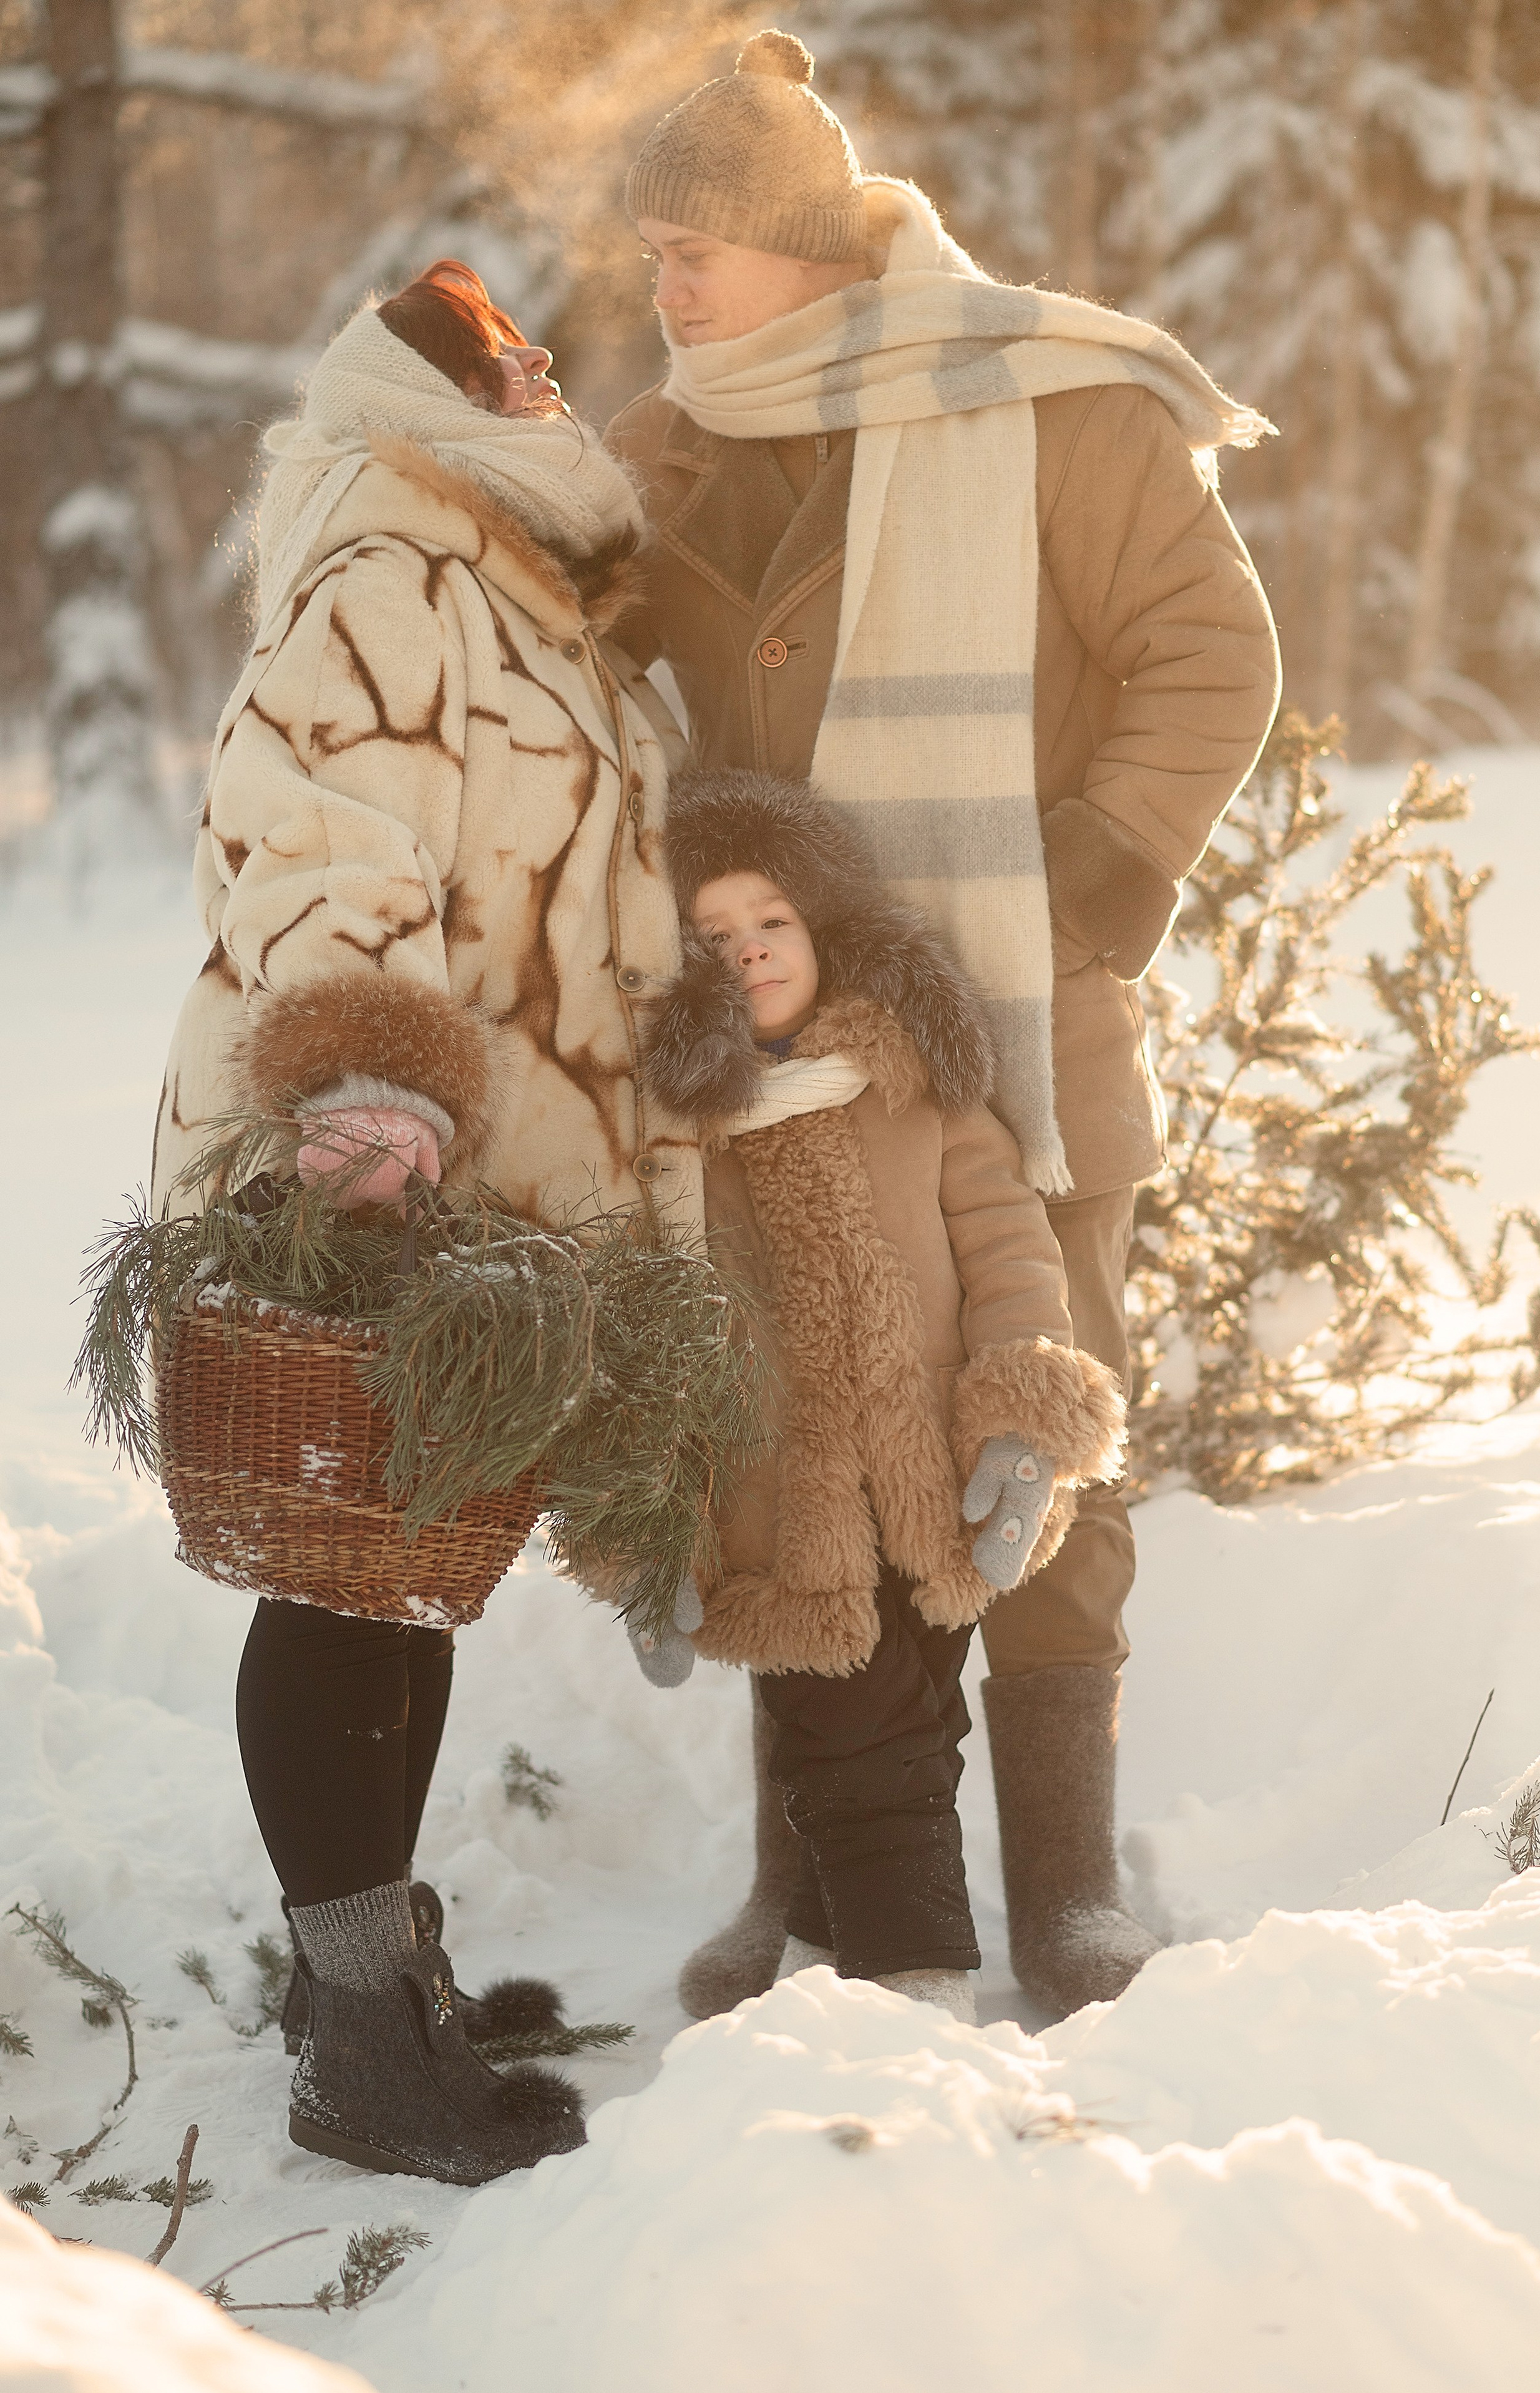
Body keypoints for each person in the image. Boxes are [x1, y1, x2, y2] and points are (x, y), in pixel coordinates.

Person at [607, 31, 1283, 2021]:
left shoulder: (1046, 400)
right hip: (771, 1049)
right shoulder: (677, 444)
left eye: (698, 245)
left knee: (1039, 1407)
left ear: (813, 249)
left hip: (1019, 1028)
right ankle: (805, 1876)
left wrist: (1079, 889)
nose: (666, 283)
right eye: (648, 246)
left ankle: (1065, 1882)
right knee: (779, 1425)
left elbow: (1208, 652)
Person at [152, 260, 697, 2182]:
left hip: (482, 1200)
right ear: (428, 393)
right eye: (507, 359)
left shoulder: (517, 586)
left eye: (539, 353)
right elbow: (313, 835)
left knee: (412, 1568)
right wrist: (367, 1098)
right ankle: (359, 2047)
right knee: (341, 1577)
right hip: (373, 1166)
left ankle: (365, 1972)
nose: (548, 376)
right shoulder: (388, 574)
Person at [637, 766, 1126, 2022]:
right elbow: (644, 1320)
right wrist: (645, 1519)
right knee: (866, 1743)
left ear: (821, 926)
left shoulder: (915, 1083)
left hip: (931, 1487)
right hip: (775, 1505)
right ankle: (914, 1980)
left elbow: (1010, 1247)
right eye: (715, 936)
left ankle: (814, 1940)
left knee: (903, 1722)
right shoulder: (683, 1131)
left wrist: (1020, 1416)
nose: (748, 951)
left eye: (771, 923)